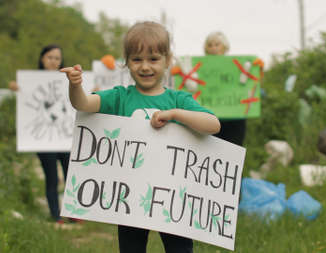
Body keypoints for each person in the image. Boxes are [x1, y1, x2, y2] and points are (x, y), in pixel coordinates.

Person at [61, 21, 220, 253]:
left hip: (172, 197)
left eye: (153, 59)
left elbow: (213, 125)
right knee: (131, 248)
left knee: (180, 249)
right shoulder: (119, 97)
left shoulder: (178, 99)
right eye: (137, 59)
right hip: (129, 196)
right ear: (126, 63)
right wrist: (75, 86)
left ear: (167, 60)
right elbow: (83, 104)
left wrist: (175, 114)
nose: (145, 66)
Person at [9, 44, 73, 225]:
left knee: (71, 175)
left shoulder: (68, 80)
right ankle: (55, 215)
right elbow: (27, 103)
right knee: (52, 177)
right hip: (43, 140)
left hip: (65, 139)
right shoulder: (30, 81)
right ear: (42, 59)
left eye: (57, 58)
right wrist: (16, 89)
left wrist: (93, 87)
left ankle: (74, 214)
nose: (53, 61)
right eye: (50, 57)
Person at [204, 31, 247, 146]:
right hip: (208, 120)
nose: (213, 48)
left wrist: (257, 70)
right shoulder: (199, 69)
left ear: (224, 47)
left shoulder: (238, 67)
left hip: (234, 120)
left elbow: (248, 88)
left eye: (217, 44)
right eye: (210, 45)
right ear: (206, 49)